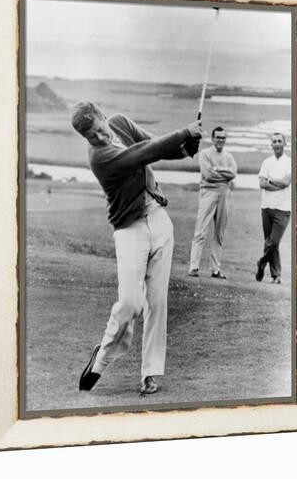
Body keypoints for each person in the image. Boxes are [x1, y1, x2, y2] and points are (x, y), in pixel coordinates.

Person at [71, 101, 201, 395]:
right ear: (86, 139)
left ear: (104, 117)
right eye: (93, 136)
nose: (101, 137)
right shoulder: (100, 157)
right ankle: (101, 360)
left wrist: (185, 149)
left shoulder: (120, 122)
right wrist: (183, 132)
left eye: (101, 129)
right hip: (130, 230)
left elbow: (152, 143)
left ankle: (151, 374)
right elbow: (141, 154)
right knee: (130, 304)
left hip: (159, 220)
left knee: (157, 303)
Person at [188, 126, 237, 279]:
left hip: (224, 195)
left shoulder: (229, 156)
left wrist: (218, 169)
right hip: (208, 193)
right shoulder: (205, 154)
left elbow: (233, 173)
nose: (220, 140)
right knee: (201, 231)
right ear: (213, 138)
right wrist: (224, 175)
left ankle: (215, 269)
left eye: (223, 138)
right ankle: (193, 267)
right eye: (218, 137)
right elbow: (208, 175)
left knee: (219, 233)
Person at [256, 132, 291, 284]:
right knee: (270, 242)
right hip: (266, 207)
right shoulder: (266, 162)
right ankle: (276, 275)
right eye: (274, 142)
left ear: (284, 144)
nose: (276, 144)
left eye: (279, 141)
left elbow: (285, 183)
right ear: (271, 145)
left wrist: (271, 181)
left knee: (273, 241)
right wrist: (275, 183)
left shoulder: (290, 162)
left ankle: (261, 262)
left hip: (283, 208)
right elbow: (262, 184)